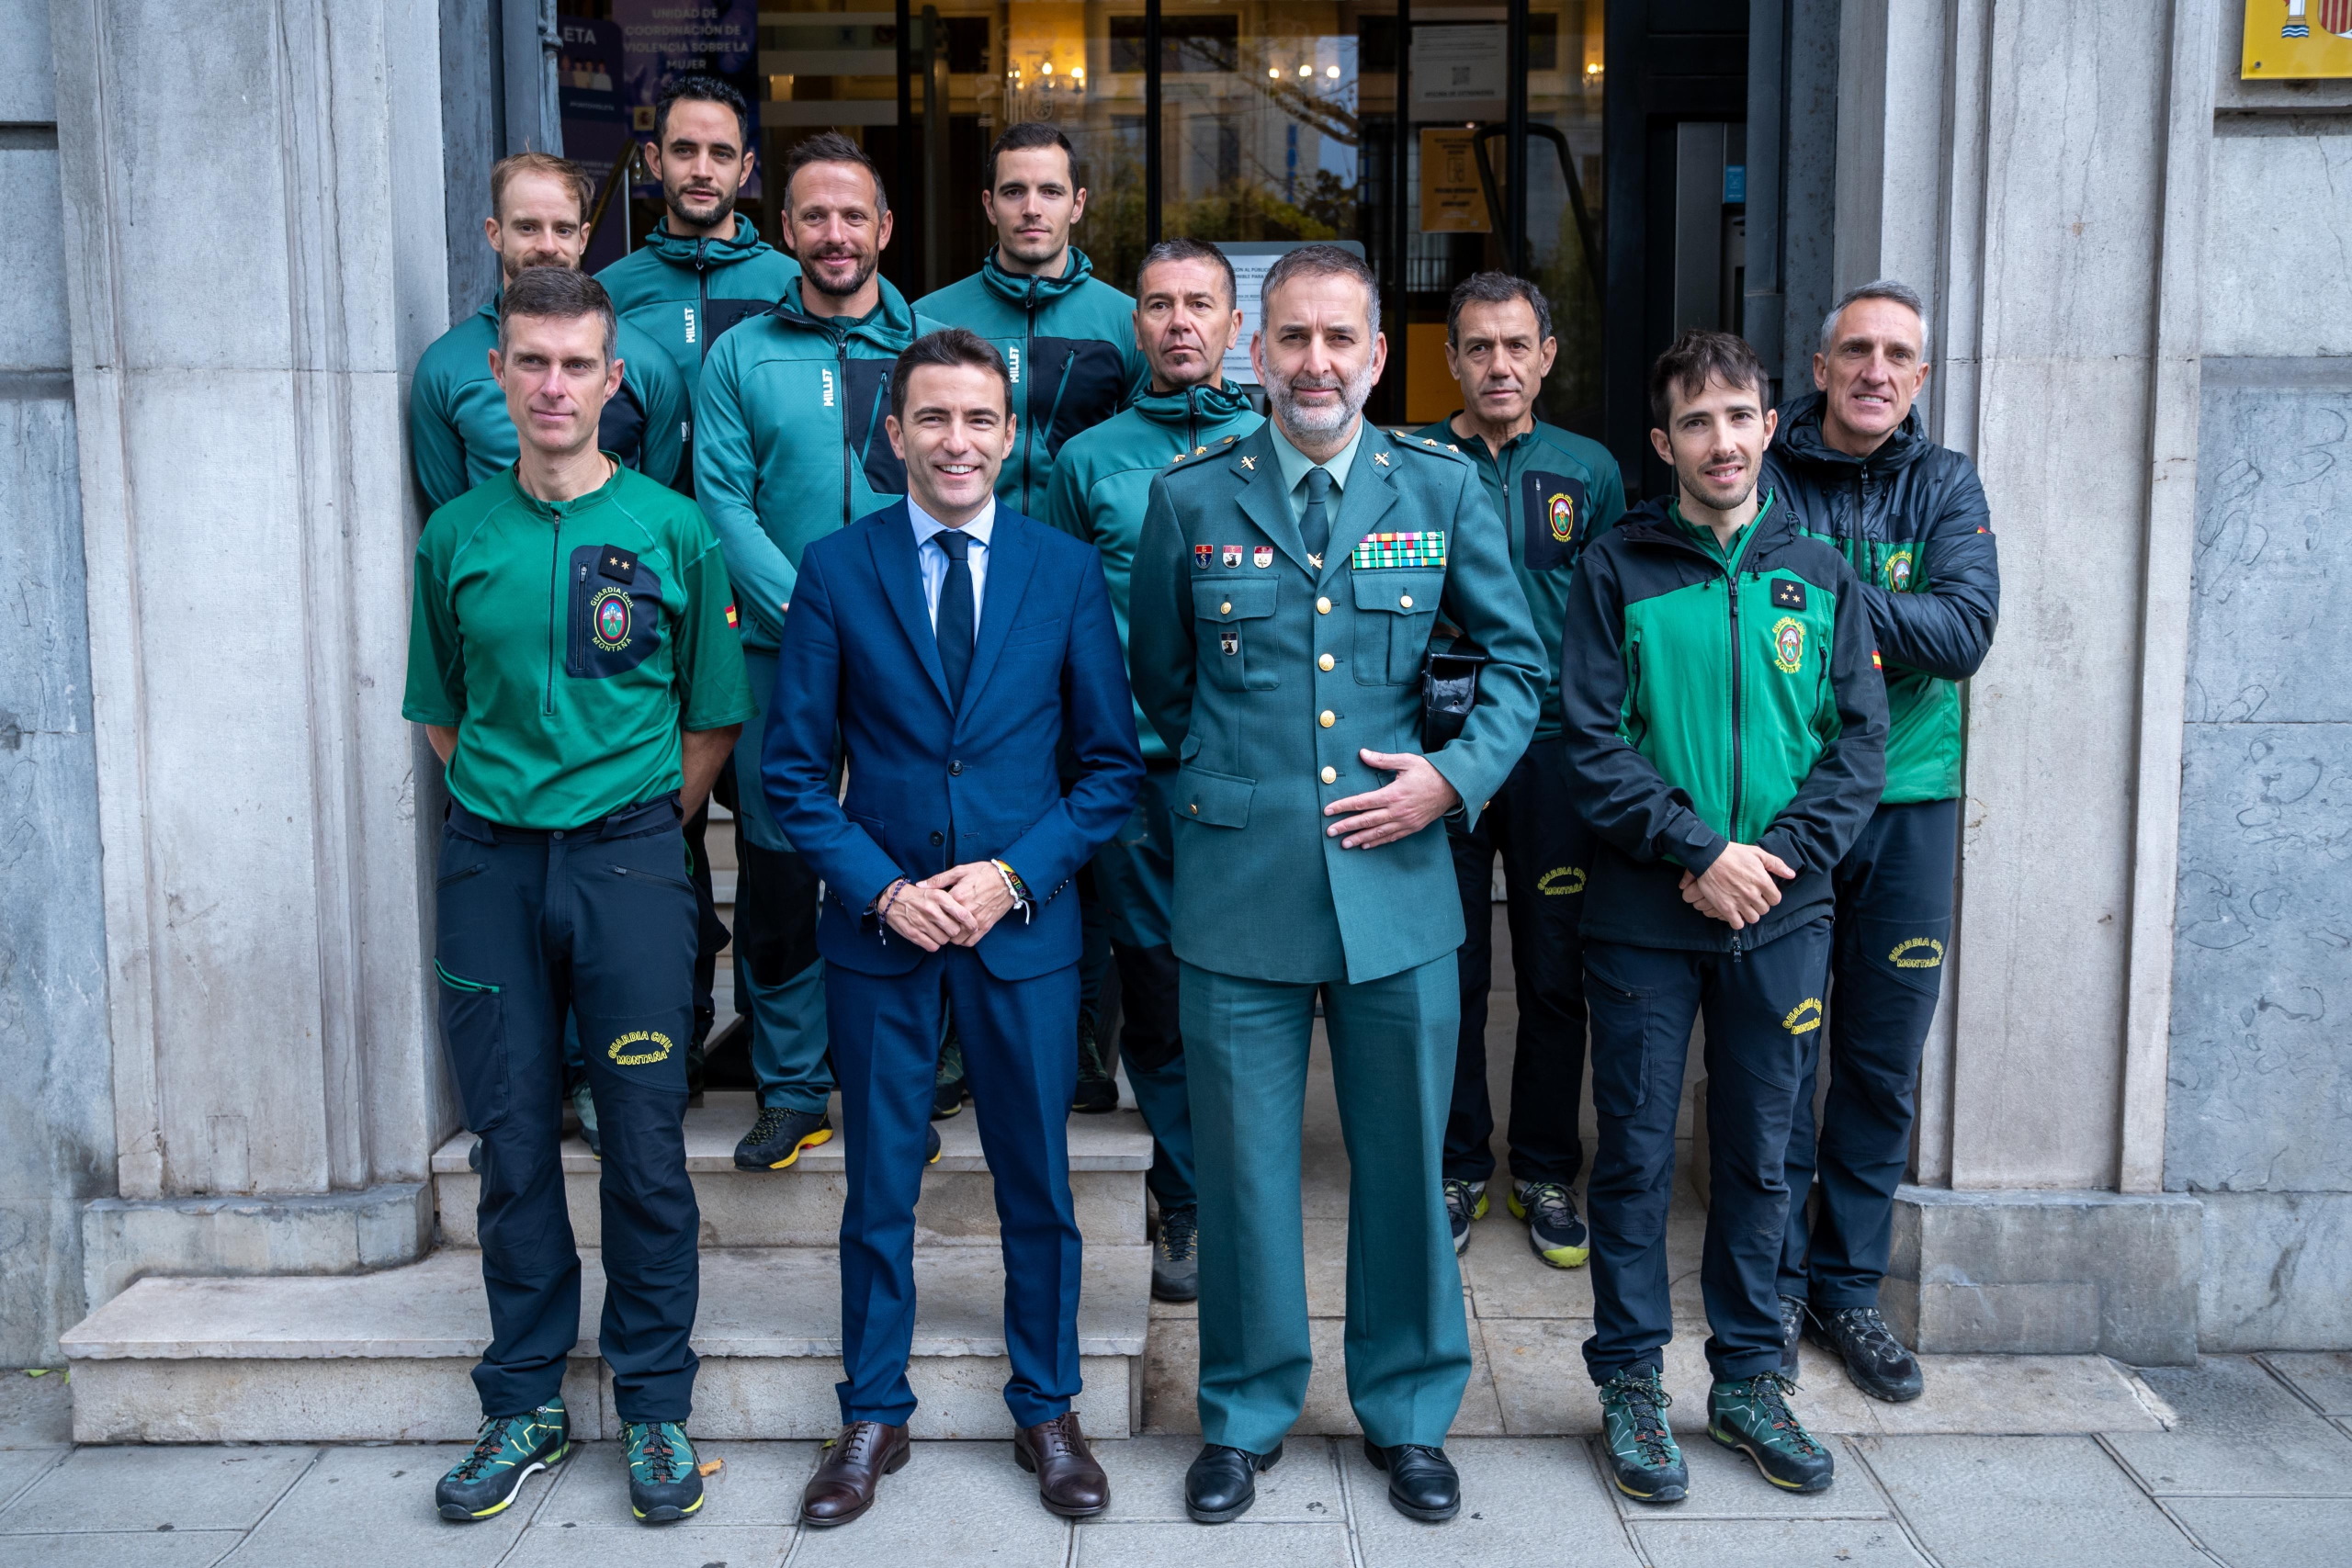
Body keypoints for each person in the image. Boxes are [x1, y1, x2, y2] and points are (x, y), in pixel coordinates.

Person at [1128, 244, 1544, 1527]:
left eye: (1340, 340)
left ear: (1377, 355)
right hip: (1239, 883)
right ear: (1259, 352)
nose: (1316, 362)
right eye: (1293, 339)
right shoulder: (1191, 495)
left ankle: (1410, 1408)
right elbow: (1163, 681)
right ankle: (1245, 1412)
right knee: (1245, 1168)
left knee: (1404, 1164)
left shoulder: (1440, 487)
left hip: (1401, 882)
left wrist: (1448, 781)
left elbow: (1521, 669)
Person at [764, 329, 1142, 1526]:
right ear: (894, 434)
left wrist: (1011, 876)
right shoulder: (834, 567)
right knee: (878, 1182)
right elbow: (787, 773)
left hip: (1021, 929)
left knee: (1037, 1178)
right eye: (933, 418)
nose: (957, 440)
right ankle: (873, 1409)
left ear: (1012, 433)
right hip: (882, 932)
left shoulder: (1063, 570)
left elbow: (1107, 771)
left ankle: (1048, 1403)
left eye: (979, 419)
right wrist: (884, 888)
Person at [403, 268, 752, 1527]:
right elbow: (439, 712)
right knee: (509, 1142)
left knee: (647, 1146)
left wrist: (625, 827)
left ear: (617, 381)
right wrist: (519, 808)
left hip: (629, 865)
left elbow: (711, 715)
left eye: (577, 365)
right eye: (531, 363)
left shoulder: (674, 528)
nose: (553, 386)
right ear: (497, 377)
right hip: (491, 862)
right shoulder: (455, 539)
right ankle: (527, 1401)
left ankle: (655, 1398)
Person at [1557, 330, 1886, 1505]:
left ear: (1768, 427)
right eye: (1695, 422)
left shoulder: (1819, 571)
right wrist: (1697, 850)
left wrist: (1774, 864)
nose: (1722, 440)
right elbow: (1587, 743)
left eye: (1740, 416)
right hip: (1647, 914)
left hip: (1782, 917)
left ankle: (1751, 1379)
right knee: (1637, 1158)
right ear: (1663, 444)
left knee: (1759, 1155)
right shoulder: (1617, 568)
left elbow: (1858, 746)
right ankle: (1632, 1386)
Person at [1765, 280, 1998, 1403]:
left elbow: (1962, 632)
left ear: (1917, 377)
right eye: (1854, 348)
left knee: (1876, 1062)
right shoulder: (1764, 468)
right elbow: (1734, 614)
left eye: (1896, 354)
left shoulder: (1945, 482)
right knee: (1777, 1053)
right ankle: (1764, 1283)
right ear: (1818, 368)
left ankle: (1845, 1288)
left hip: (1910, 805)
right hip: (1788, 807)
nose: (1873, 369)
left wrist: (1821, 598)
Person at [694, 132, 936, 1173]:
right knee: (784, 877)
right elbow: (723, 502)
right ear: (782, 229)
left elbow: (967, 488)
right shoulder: (738, 352)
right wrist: (819, 618)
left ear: (884, 229)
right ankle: (793, 1089)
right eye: (813, 216)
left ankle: (895, 1089)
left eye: (854, 216)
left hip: (917, 665)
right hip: (777, 659)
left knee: (908, 870)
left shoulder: (934, 348)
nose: (835, 235)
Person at [1043, 238, 1261, 1304]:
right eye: (1160, 306)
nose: (1180, 323)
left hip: (1259, 773)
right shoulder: (1089, 460)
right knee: (1161, 990)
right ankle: (1185, 1196)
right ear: (1134, 324)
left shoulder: (1280, 443)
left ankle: (1247, 1188)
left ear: (1235, 328)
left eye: (1201, 306)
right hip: (1132, 773)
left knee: (1251, 988)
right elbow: (1052, 620)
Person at [914, 122, 1146, 1123]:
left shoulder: (1124, 320)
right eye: (1013, 191)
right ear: (989, 206)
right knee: (956, 813)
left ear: (1077, 203)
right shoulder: (927, 316)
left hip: (1070, 610)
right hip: (957, 604)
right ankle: (953, 1042)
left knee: (1073, 831)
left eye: (1049, 190)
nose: (1031, 208)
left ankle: (1083, 1045)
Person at [1415, 272, 1625, 1268]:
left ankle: (1545, 1167)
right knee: (1450, 975)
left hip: (1552, 759)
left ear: (1547, 356)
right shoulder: (1411, 460)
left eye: (1516, 345)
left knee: (1552, 973)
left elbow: (1616, 618)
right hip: (1444, 758)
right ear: (1449, 360)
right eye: (1477, 347)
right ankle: (1456, 1164)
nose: (1498, 364)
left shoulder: (1589, 470)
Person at [411, 152, 687, 509]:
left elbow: (664, 511)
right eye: (527, 227)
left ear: (583, 238)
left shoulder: (647, 365)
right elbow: (448, 523)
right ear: (495, 234)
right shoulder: (444, 368)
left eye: (563, 229)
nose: (547, 246)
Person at [596, 76, 800, 412]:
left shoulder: (793, 286)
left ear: (745, 169)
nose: (702, 170)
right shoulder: (608, 292)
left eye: (721, 154)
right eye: (684, 150)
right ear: (655, 159)